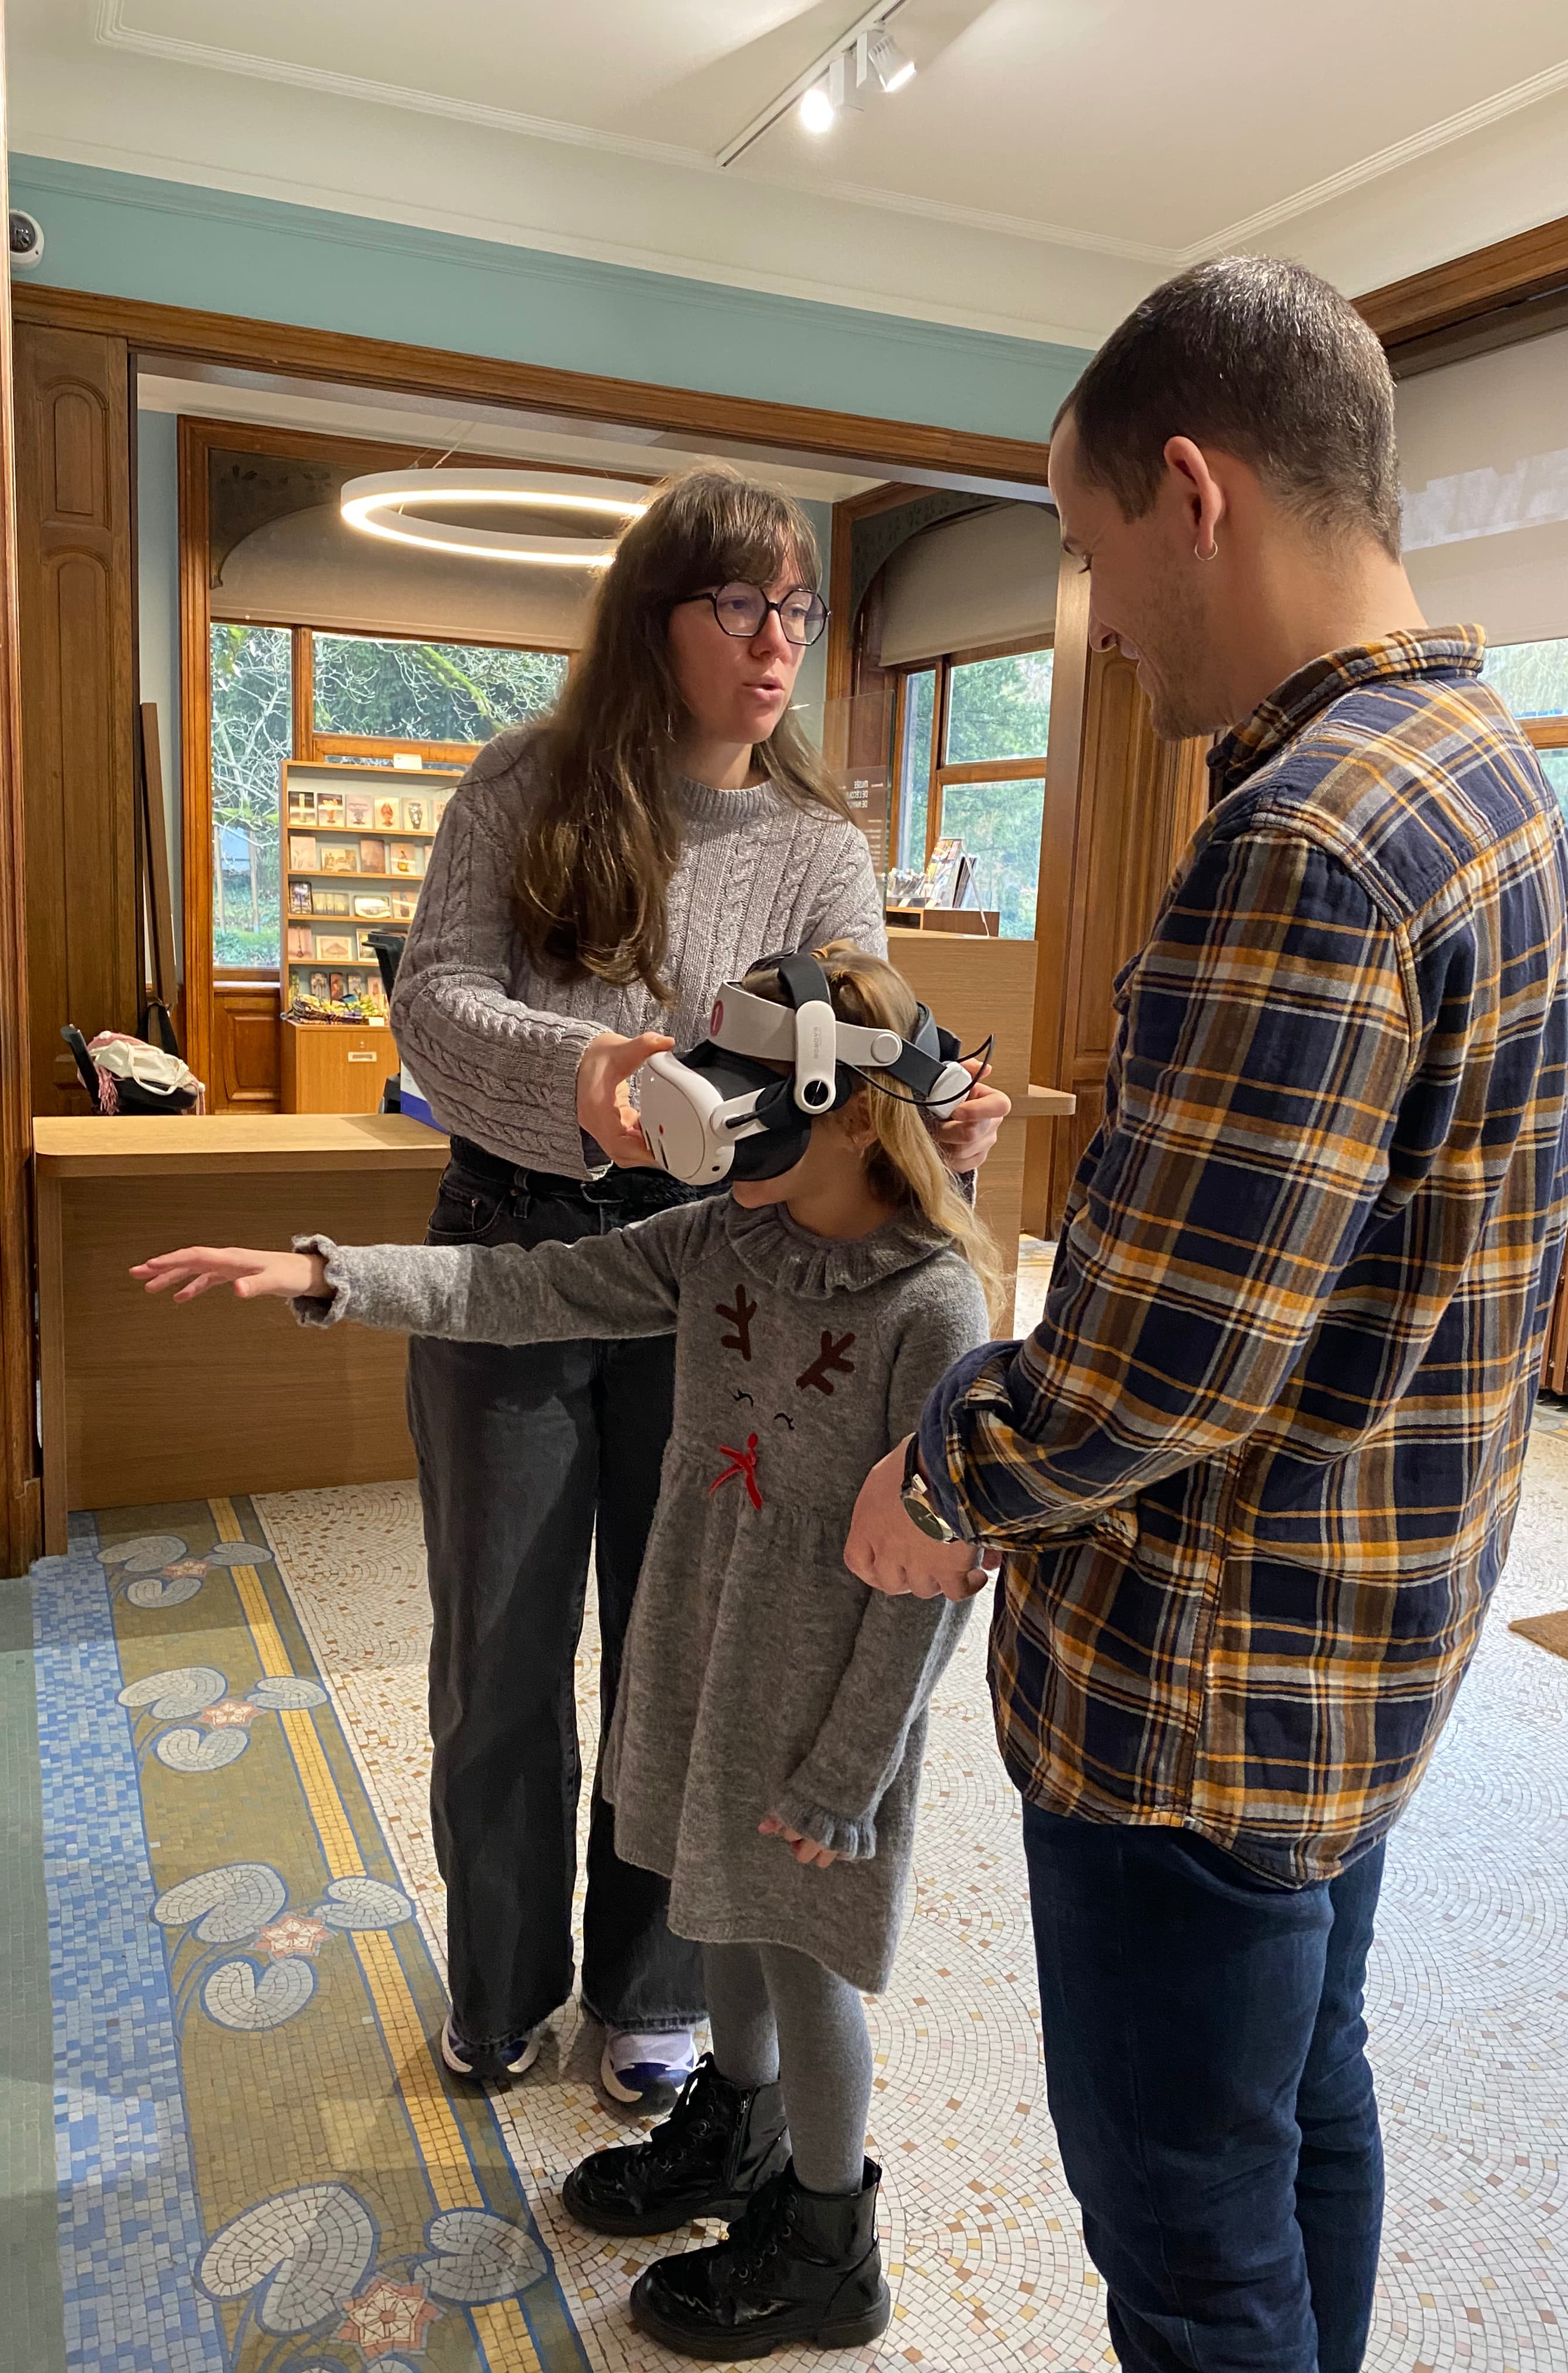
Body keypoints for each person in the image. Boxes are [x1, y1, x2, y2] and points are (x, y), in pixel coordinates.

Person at [841, 256, 1568, 2373]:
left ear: (1194, 492)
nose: (1102, 622)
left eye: (1093, 555)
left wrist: (940, 1478)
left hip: (1202, 1683)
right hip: (1369, 1635)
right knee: (1306, 2097)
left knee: (1183, 2234)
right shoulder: (1490, 774)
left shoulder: (1307, 840)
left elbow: (1162, 1361)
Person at [132, 943, 999, 2361]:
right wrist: (330, 1273)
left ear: (849, 1113)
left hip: (826, 1709)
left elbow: (931, 1586)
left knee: (805, 1957)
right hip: (704, 1656)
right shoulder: (720, 1242)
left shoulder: (933, 1307)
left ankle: (830, 2237)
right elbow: (526, 1289)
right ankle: (739, 2126)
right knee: (718, 1908)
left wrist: (850, 1769)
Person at [382, 467, 1009, 2110]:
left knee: (691, 1647)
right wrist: (584, 1073)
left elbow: (855, 1055)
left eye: (797, 608)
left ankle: (652, 1991)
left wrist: (938, 1117)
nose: (777, 640)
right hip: (517, 1236)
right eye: (740, 605)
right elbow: (432, 1003)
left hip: (728, 1279)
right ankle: (498, 1982)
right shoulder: (525, 784)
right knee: (497, 1656)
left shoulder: (818, 842)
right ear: (653, 620)